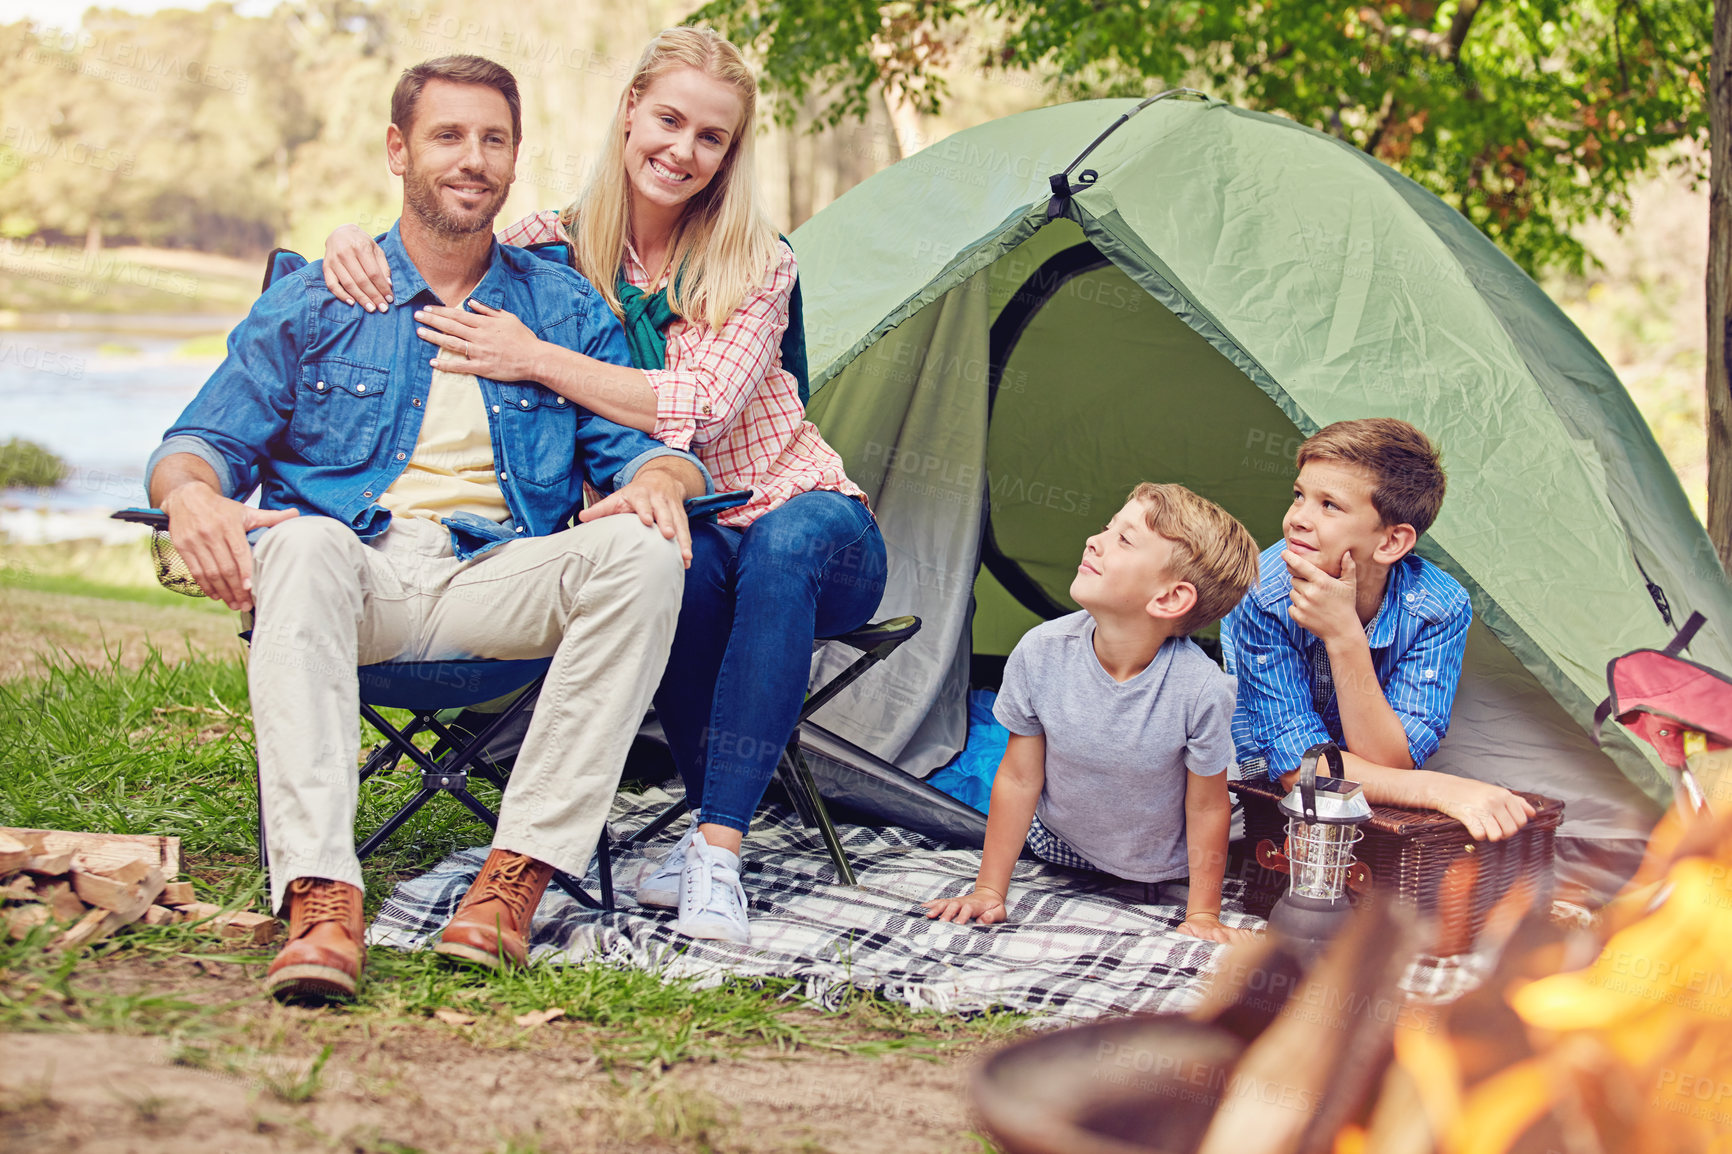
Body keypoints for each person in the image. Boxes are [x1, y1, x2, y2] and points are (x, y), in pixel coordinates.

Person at [147, 55, 711, 1002]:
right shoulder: (321, 297)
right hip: (349, 583)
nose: (473, 159)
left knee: (646, 550)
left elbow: (637, 450)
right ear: (399, 151)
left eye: (493, 140)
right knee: (304, 540)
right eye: (449, 136)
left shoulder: (562, 307)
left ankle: (512, 882)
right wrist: (190, 497)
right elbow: (196, 441)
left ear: (515, 159)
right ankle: (323, 899)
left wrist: (660, 477)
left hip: (496, 580)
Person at [318, 27, 885, 946]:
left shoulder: (757, 259)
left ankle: (716, 854)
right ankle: (707, 839)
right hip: (682, 524)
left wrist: (536, 357)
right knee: (678, 559)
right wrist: (353, 241)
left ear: (729, 154)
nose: (683, 151)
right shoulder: (546, 248)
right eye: (668, 120)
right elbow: (441, 238)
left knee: (775, 547)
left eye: (711, 137)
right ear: (629, 114)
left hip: (813, 521)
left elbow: (695, 408)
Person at [923, 484, 1260, 941]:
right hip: (1060, 845)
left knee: (1249, 778)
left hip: (1160, 866)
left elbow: (1207, 805)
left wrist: (1202, 915)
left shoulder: (1202, 689)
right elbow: (1021, 778)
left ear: (1169, 599)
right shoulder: (1040, 652)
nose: (1093, 540)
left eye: (1124, 539)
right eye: (1107, 527)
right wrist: (988, 890)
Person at [1220, 418, 1536, 840]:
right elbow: (1300, 774)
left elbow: (1391, 764)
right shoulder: (1261, 593)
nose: (1297, 518)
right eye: (1299, 496)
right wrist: (1443, 789)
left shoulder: (1438, 607)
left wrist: (1344, 635)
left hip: (1375, 798)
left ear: (1390, 542)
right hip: (1263, 794)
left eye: (1329, 505)